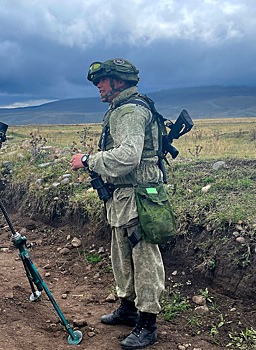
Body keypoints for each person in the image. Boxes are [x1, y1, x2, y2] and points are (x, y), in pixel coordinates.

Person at [70, 58, 166, 349]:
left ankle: (147, 324)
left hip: (138, 196)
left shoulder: (130, 111)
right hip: (124, 196)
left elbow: (128, 156)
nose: (98, 86)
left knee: (144, 257)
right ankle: (128, 308)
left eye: (102, 80)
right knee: (121, 253)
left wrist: (89, 160)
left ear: (119, 82)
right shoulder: (121, 109)